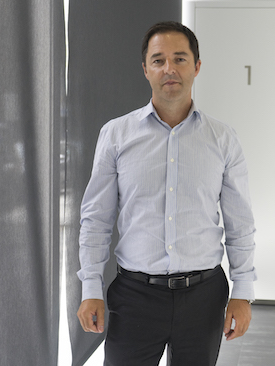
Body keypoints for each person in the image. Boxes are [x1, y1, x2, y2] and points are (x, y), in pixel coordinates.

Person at [76, 21, 257, 366]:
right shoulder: (116, 135)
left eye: (180, 59)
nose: (169, 69)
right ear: (145, 69)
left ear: (197, 66)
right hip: (135, 296)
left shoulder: (223, 139)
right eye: (158, 60)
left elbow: (240, 223)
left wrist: (243, 292)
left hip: (204, 297)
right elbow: (96, 220)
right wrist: (90, 288)